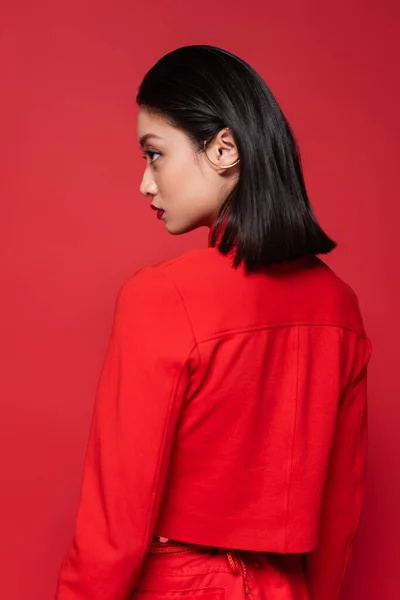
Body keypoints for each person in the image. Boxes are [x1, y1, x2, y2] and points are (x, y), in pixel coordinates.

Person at [55, 45, 372, 600]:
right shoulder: (339, 307)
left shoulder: (160, 297)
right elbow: (340, 512)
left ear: (224, 148)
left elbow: (114, 526)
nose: (145, 184)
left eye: (154, 154)